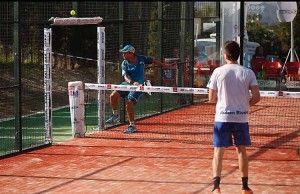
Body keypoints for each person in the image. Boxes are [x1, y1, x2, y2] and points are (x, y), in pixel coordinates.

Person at [207, 41, 260, 194]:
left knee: (218, 151)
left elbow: (211, 98)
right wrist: (245, 105)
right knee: (241, 151)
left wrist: (223, 102)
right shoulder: (248, 72)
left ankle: (216, 187)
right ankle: (245, 187)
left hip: (222, 117)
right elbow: (256, 97)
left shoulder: (218, 71)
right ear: (239, 55)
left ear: (225, 55)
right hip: (241, 118)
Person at [105, 44, 163, 134]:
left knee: (129, 104)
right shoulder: (124, 63)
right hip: (128, 84)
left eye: (125, 53)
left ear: (131, 53)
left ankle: (132, 125)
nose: (123, 55)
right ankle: (115, 115)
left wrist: (165, 65)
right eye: (123, 53)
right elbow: (126, 76)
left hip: (139, 86)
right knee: (113, 95)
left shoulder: (141, 58)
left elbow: (154, 61)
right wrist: (132, 82)